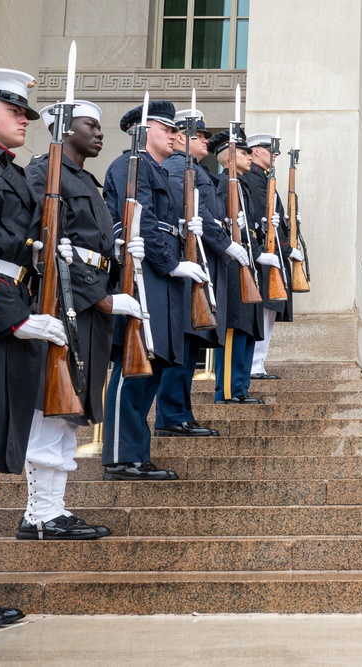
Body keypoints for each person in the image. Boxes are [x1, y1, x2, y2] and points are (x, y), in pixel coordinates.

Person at [20, 100, 144, 538]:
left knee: (69, 413)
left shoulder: (87, 182)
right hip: (63, 304)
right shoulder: (41, 175)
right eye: (89, 125)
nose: (99, 132)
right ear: (62, 129)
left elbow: (88, 245)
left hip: (89, 305)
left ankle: (52, 508)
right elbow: (47, 245)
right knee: (51, 410)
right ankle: (38, 513)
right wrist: (102, 297)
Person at [0, 67, 61, 625]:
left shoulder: (8, 172)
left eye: (26, 111)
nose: (23, 118)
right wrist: (13, 317)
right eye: (11, 107)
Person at [102, 99, 206, 480]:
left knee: (155, 360)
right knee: (135, 364)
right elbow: (139, 222)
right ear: (145, 131)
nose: (176, 136)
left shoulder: (156, 169)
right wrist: (172, 262)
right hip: (145, 271)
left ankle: (135, 452)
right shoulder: (131, 166)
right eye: (168, 130)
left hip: (161, 274)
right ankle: (120, 455)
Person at [152, 108, 237, 436]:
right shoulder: (178, 167)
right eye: (199, 135)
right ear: (184, 138)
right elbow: (187, 211)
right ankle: (172, 416)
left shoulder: (193, 168)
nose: (205, 140)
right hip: (188, 265)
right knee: (184, 342)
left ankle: (180, 412)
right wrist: (224, 242)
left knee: (190, 345)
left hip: (199, 266)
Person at [209, 128, 264, 404]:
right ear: (228, 157)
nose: (249, 156)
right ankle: (228, 390)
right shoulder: (223, 184)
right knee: (233, 327)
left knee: (247, 328)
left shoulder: (243, 185)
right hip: (232, 267)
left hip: (248, 264)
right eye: (243, 152)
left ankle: (240, 388)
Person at [243, 132, 296, 379]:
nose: (274, 154)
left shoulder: (264, 179)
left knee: (271, 309)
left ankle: (258, 362)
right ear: (255, 151)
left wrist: (288, 246)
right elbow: (255, 217)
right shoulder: (253, 180)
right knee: (263, 309)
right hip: (262, 251)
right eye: (269, 149)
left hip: (273, 252)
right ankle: (254, 364)